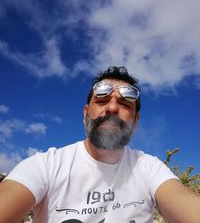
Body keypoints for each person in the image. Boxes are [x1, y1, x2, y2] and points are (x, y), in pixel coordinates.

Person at [0, 66, 199, 223]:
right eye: (102, 100)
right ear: (85, 114)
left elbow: (185, 205)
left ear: (136, 121)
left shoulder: (149, 167)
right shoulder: (45, 166)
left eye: (124, 104)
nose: (112, 107)